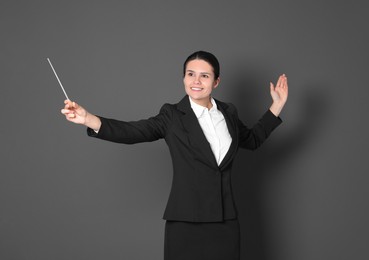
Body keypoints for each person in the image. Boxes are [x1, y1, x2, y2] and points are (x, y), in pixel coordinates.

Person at [61, 51, 288, 260]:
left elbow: (252, 139)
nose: (196, 81)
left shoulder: (228, 113)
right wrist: (89, 119)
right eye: (190, 74)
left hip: (226, 220)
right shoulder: (171, 115)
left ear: (216, 81)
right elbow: (133, 131)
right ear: (183, 78)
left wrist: (276, 106)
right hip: (186, 221)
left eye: (204, 76)